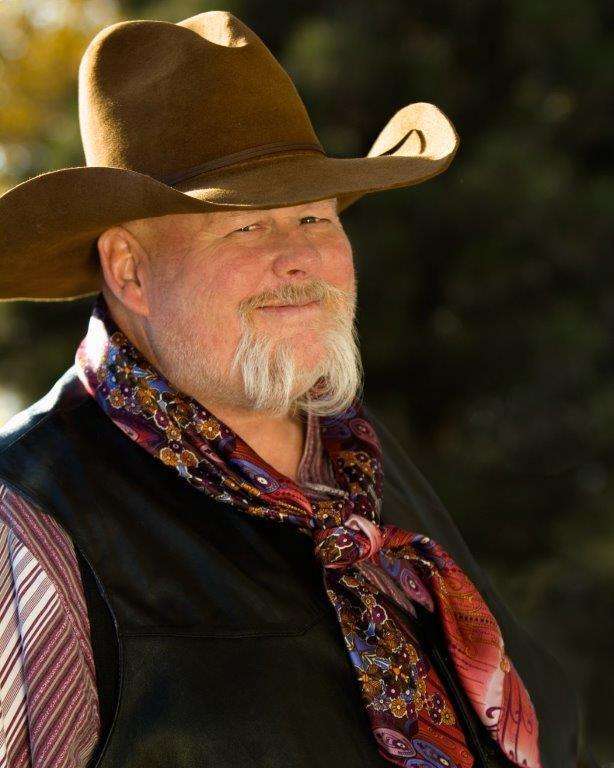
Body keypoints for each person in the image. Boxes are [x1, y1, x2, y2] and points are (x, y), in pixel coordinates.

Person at [0, 10, 599, 768]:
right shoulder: (27, 525)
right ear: (129, 270)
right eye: (243, 227)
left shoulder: (353, 456)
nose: (299, 259)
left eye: (314, 217)